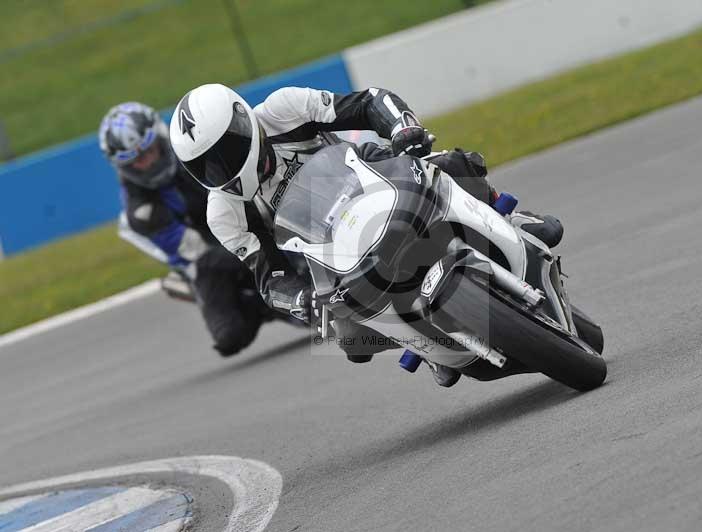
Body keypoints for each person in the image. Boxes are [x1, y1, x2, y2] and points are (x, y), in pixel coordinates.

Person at [168, 84, 563, 386]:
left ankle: (512, 219)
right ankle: (423, 348)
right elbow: (268, 277)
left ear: (244, 124)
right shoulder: (223, 213)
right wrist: (298, 299)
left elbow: (368, 101)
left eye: (225, 152)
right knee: (347, 341)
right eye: (205, 166)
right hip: (322, 252)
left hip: (368, 179)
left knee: (451, 164)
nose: (220, 169)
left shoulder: (284, 108)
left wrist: (403, 128)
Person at [99, 102, 273, 357]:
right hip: (207, 256)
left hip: (239, 214)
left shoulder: (194, 147)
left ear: (160, 138)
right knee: (231, 337)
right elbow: (197, 251)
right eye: (138, 161)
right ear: (124, 167)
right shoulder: (142, 210)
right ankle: (259, 304)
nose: (148, 164)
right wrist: (257, 252)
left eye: (149, 152)